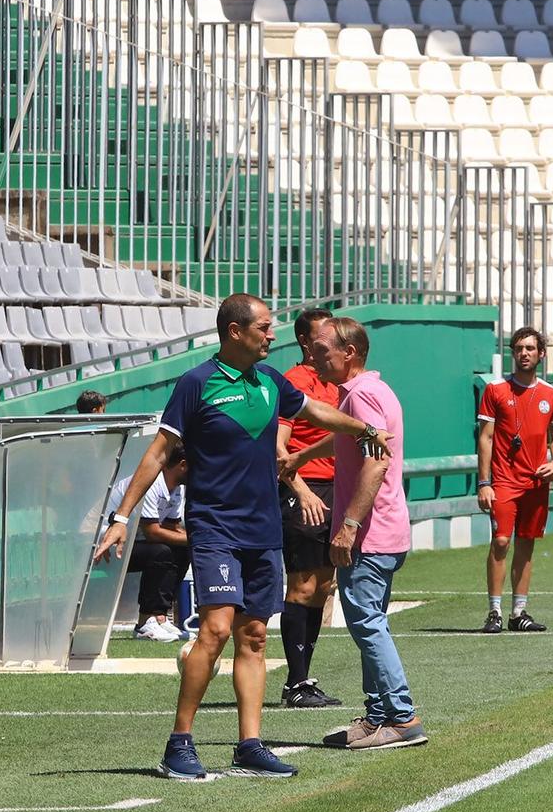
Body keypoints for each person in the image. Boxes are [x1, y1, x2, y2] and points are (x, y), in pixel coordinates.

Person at [92, 293, 393, 782]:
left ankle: (249, 745)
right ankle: (179, 743)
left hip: (264, 530)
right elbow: (157, 454)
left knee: (253, 636)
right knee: (213, 631)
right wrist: (121, 516)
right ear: (236, 331)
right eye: (265, 327)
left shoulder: (270, 381)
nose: (272, 336)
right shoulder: (196, 384)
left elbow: (316, 411)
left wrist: (363, 429)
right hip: (215, 528)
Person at [313, 318, 425, 750]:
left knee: (368, 625)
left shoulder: (361, 396)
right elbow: (352, 440)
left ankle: (400, 717)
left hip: (370, 534)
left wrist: (348, 527)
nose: (315, 355)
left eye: (323, 349)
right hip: (384, 531)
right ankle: (379, 714)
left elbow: (375, 463)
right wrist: (302, 454)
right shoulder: (366, 393)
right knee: (368, 623)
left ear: (350, 353)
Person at [475, 327, 553, 634]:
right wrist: (483, 483)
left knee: (526, 544)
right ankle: (494, 611)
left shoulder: (551, 394)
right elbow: (485, 438)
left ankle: (519, 612)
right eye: (518, 348)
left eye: (530, 348)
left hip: (536, 484)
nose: (524, 353)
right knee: (501, 541)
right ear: (512, 353)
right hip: (503, 481)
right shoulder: (495, 391)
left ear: (541, 354)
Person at [275, 307, 343, 707]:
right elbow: (278, 446)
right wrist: (300, 489)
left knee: (323, 585)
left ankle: (303, 680)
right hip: (304, 490)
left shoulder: (337, 382)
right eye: (323, 337)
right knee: (301, 584)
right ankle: (296, 682)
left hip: (335, 488)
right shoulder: (293, 382)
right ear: (305, 342)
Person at [110, 453, 190, 642]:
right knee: (160, 552)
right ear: (183, 464)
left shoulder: (176, 488)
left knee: (183, 551)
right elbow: (152, 532)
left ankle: (159, 618)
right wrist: (195, 539)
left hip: (131, 545)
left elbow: (172, 526)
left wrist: (198, 540)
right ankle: (144, 623)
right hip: (106, 547)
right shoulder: (151, 482)